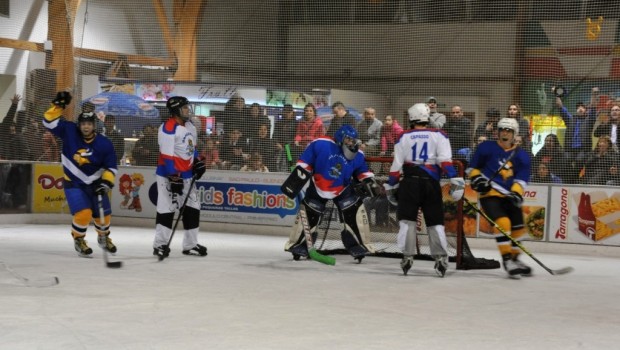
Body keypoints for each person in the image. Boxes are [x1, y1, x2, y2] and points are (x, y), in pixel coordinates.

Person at [383, 103, 464, 277]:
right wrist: (456, 180)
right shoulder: (439, 135)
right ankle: (441, 258)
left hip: (409, 184)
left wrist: (391, 186)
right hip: (430, 184)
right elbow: (445, 161)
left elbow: (396, 166)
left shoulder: (402, 136)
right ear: (427, 117)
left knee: (407, 221)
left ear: (411, 118)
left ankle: (407, 257)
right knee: (435, 222)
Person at [281, 125, 380, 262]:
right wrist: (297, 177)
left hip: (343, 188)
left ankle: (360, 247)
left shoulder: (358, 154)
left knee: (354, 210)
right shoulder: (320, 144)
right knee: (310, 211)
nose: (352, 143)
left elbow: (362, 171)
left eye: (353, 140)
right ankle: (299, 245)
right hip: (318, 186)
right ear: (340, 138)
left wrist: (368, 180)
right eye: (348, 140)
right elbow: (304, 162)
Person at [42, 91, 118, 257]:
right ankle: (79, 239)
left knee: (104, 214)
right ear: (79, 124)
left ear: (94, 125)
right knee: (83, 214)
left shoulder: (105, 144)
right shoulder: (69, 131)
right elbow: (47, 122)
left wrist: (106, 182)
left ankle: (103, 237)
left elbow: (111, 167)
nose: (85, 126)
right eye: (83, 123)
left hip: (96, 184)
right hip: (74, 183)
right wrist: (58, 107)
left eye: (89, 123)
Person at [467, 117, 532, 279]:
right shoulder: (486, 147)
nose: (505, 133)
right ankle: (507, 260)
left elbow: (522, 178)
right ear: (497, 131)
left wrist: (516, 193)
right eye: (502, 129)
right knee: (503, 223)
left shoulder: (522, 155)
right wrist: (478, 179)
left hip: (508, 196)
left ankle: (516, 259)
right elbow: (472, 167)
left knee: (518, 227)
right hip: (490, 195)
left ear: (514, 134)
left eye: (508, 130)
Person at [152, 96, 207, 258]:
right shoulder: (168, 128)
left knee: (193, 208)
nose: (187, 110)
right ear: (175, 110)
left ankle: (190, 245)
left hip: (188, 175)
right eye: (184, 108)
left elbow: (191, 148)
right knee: (167, 208)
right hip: (168, 176)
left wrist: (197, 162)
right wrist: (174, 177)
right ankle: (160, 245)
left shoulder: (190, 126)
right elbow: (166, 157)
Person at [556, 88, 598, 184]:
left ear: (585, 110)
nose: (580, 108)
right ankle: (569, 181)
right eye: (578, 107)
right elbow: (560, 107)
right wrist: (557, 94)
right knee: (565, 162)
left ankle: (575, 180)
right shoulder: (570, 120)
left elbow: (593, 107)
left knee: (579, 161)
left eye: (582, 107)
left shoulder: (589, 120)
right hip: (570, 149)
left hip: (583, 150)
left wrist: (594, 94)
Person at [273, 104, 300, 171]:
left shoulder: (296, 124)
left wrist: (294, 143)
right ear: (283, 112)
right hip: (280, 148)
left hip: (291, 148)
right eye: (285, 111)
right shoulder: (278, 123)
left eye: (289, 112)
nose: (287, 114)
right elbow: (275, 135)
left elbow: (298, 135)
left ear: (292, 113)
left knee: (291, 167)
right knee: (279, 166)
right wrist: (277, 143)